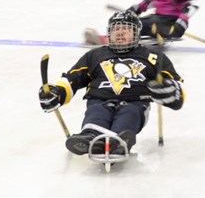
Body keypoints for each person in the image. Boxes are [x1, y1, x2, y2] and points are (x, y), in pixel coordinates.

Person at [39, 10, 185, 156]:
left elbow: (174, 83)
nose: (120, 32)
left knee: (130, 113)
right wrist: (57, 92)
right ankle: (91, 137)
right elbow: (73, 78)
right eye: (115, 29)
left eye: (126, 28)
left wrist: (171, 91)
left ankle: (119, 140)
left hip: (136, 103)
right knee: (96, 112)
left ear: (136, 33)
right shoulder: (95, 55)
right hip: (99, 99)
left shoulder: (152, 56)